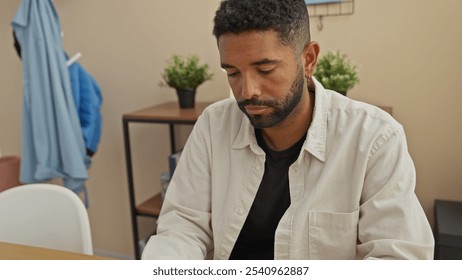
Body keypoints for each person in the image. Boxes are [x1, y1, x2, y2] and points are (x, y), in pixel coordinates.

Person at [142, 0, 434, 260]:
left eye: (266, 69)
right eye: (232, 72)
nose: (247, 91)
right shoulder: (213, 125)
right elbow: (182, 226)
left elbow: (398, 258)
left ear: (308, 60)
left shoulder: (373, 138)